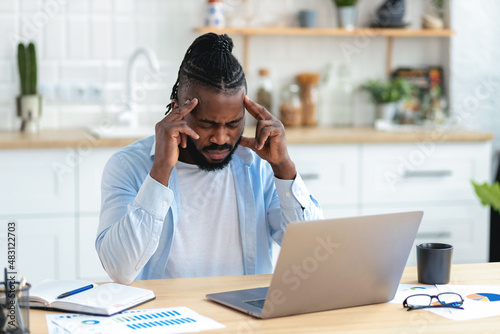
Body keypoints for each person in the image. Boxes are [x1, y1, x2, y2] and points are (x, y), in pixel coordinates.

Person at [96, 33, 323, 284]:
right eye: (207, 125)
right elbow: (119, 269)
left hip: (245, 318)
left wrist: (284, 167)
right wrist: (161, 169)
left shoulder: (260, 167)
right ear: (177, 112)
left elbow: (313, 257)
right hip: (165, 318)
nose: (221, 138)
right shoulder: (129, 167)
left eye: (234, 124)